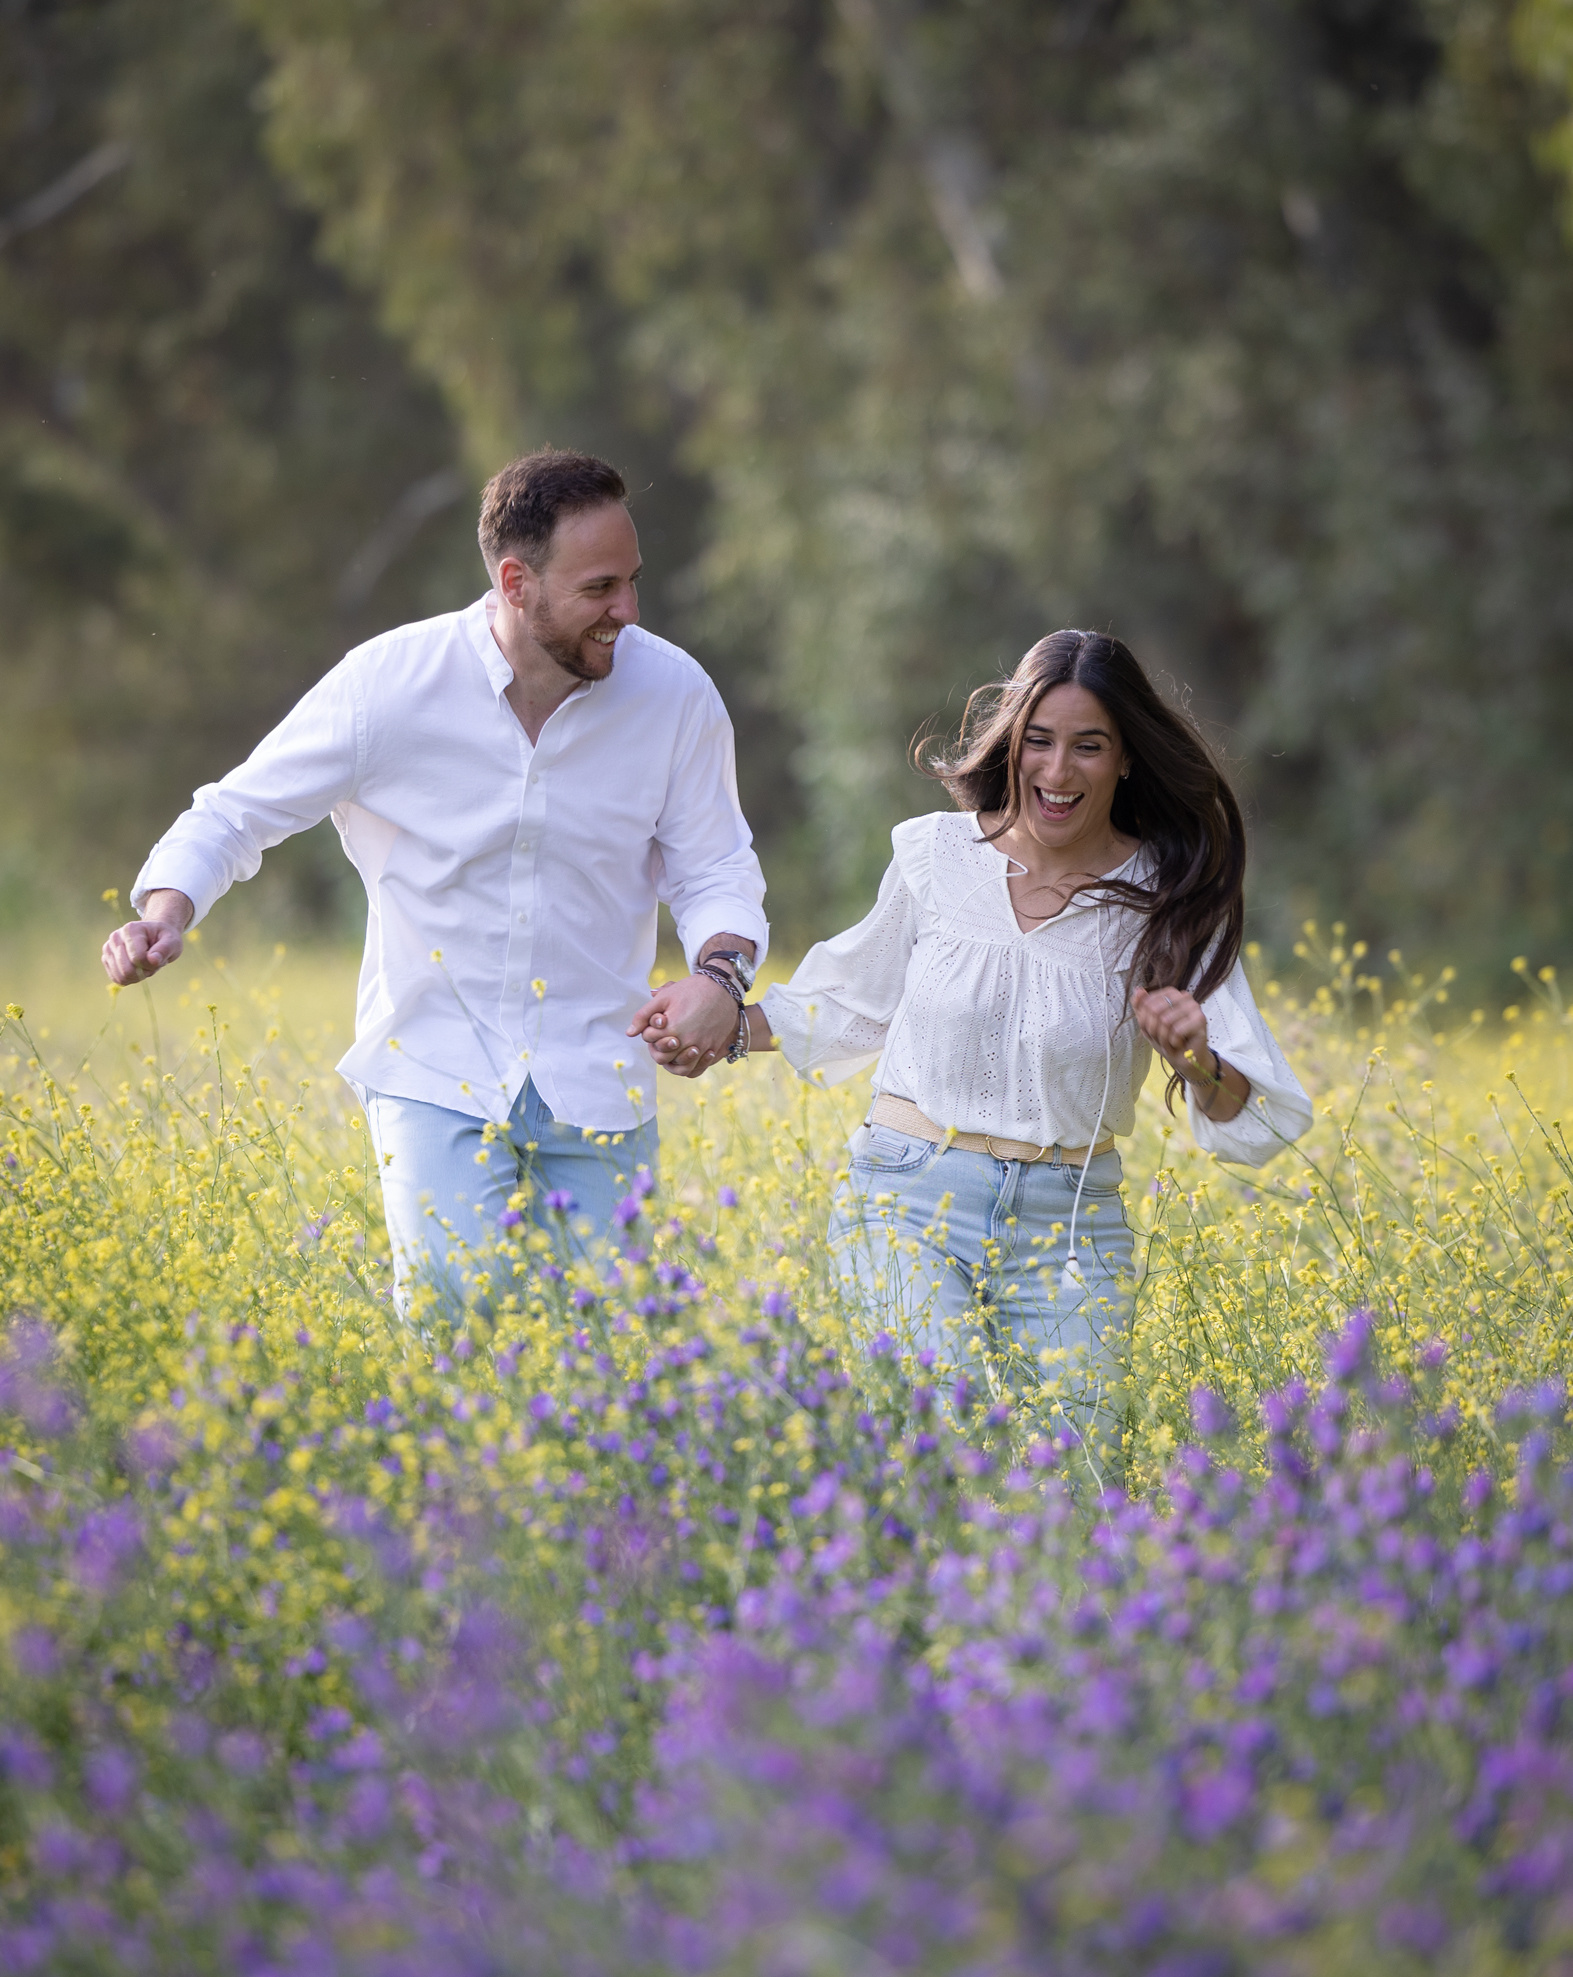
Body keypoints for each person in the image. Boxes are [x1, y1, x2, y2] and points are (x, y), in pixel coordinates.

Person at [102, 448, 768, 1317]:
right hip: (432, 1064)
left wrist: (720, 979)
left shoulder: (675, 696)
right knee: (459, 1312)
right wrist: (166, 911)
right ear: (516, 582)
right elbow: (235, 813)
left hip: (600, 1070)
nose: (628, 611)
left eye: (632, 581)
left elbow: (715, 865)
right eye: (600, 588)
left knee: (613, 1342)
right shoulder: (389, 685)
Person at [633, 628, 1312, 1446]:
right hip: (907, 1195)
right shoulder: (936, 855)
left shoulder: (1168, 898)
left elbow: (1254, 1111)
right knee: (937, 1443)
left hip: (1068, 1223)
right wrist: (723, 1026)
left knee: (1077, 1471)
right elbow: (851, 1002)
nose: (1057, 771)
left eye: (1088, 746)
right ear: (1012, 743)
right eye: (1039, 741)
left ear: (1127, 757)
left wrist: (1194, 1058)